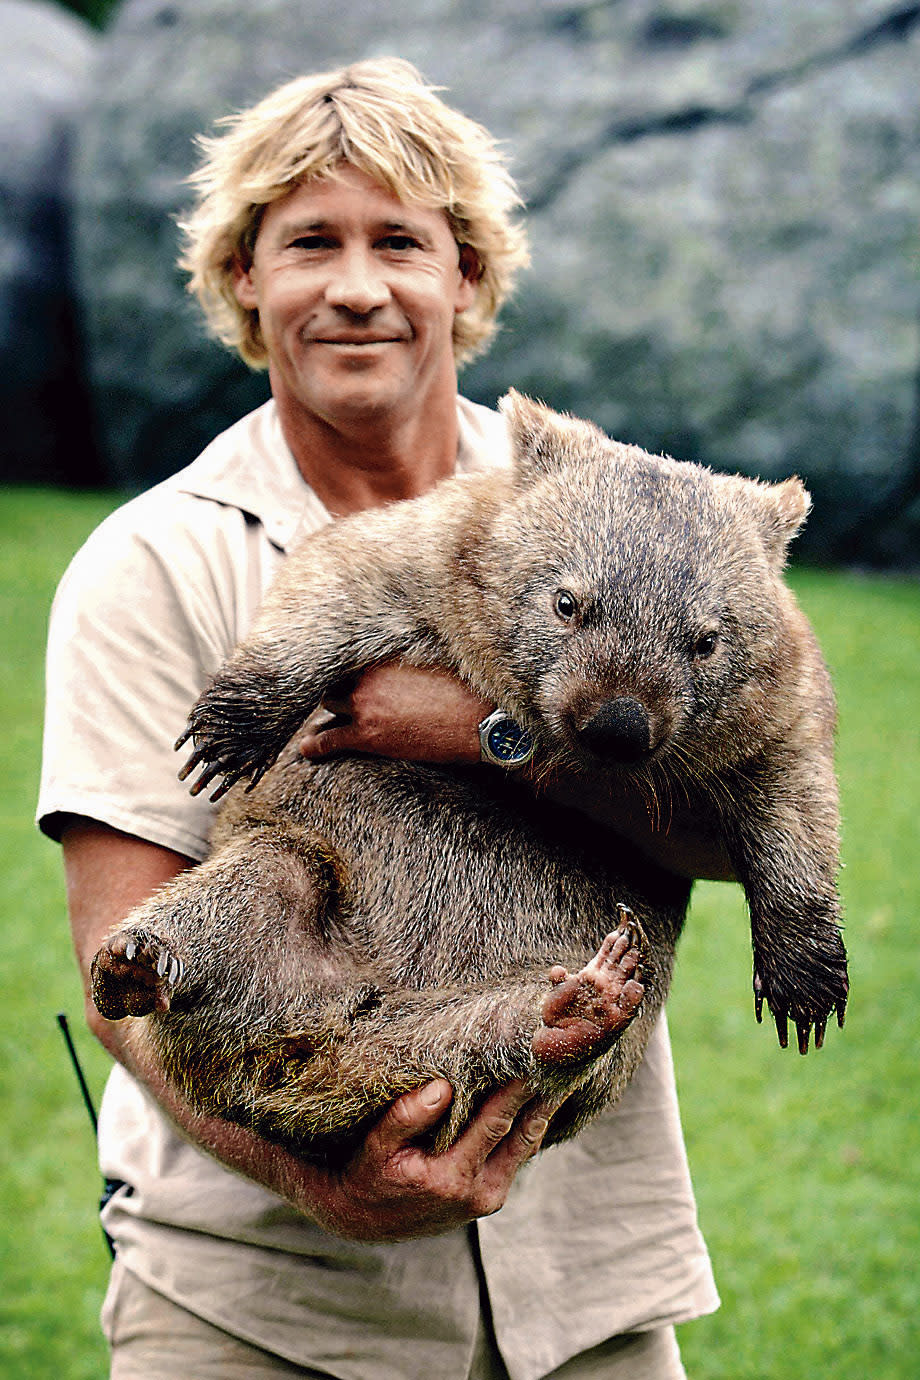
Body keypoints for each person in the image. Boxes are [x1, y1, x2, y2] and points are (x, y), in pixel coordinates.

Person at [39, 58, 720, 1379]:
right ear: (245, 277)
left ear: (466, 277)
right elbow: (127, 974)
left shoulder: (615, 527)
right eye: (309, 244)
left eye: (401, 241)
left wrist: (483, 734)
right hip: (262, 1305)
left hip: (588, 1290)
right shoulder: (151, 568)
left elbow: (725, 829)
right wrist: (324, 1186)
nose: (358, 287)